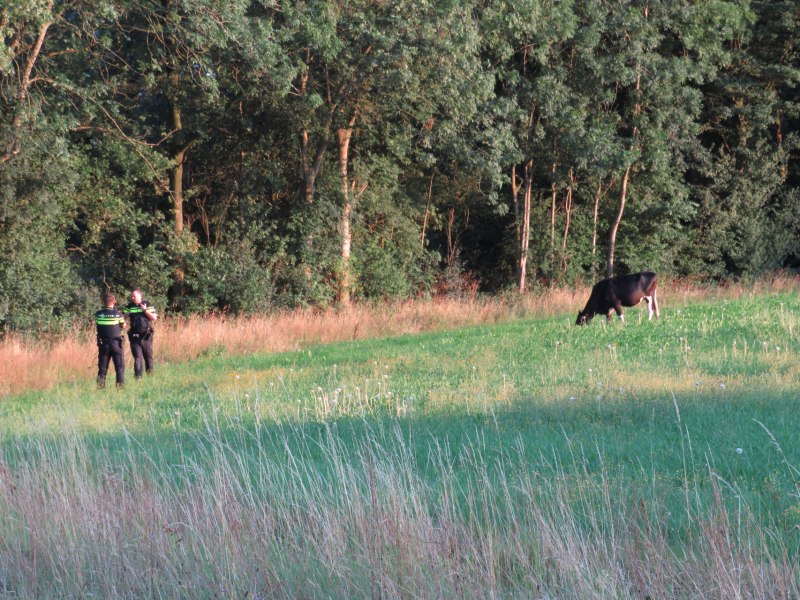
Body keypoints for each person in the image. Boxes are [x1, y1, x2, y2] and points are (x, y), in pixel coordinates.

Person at [123, 288, 158, 379]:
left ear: (140, 296)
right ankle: (138, 377)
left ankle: (150, 376)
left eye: (134, 296)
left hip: (146, 336)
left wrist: (145, 310)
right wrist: (127, 314)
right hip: (134, 337)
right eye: (132, 296)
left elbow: (154, 317)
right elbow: (122, 317)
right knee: (137, 358)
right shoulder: (130, 306)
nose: (133, 298)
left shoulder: (147, 304)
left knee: (148, 357)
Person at [94, 293, 126, 389]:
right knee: (119, 368)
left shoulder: (98, 314)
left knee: (102, 369)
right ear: (114, 302)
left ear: (103, 302)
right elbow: (123, 325)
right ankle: (120, 388)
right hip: (116, 344)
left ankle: (100, 388)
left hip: (103, 344)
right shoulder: (118, 315)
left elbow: (97, 323)